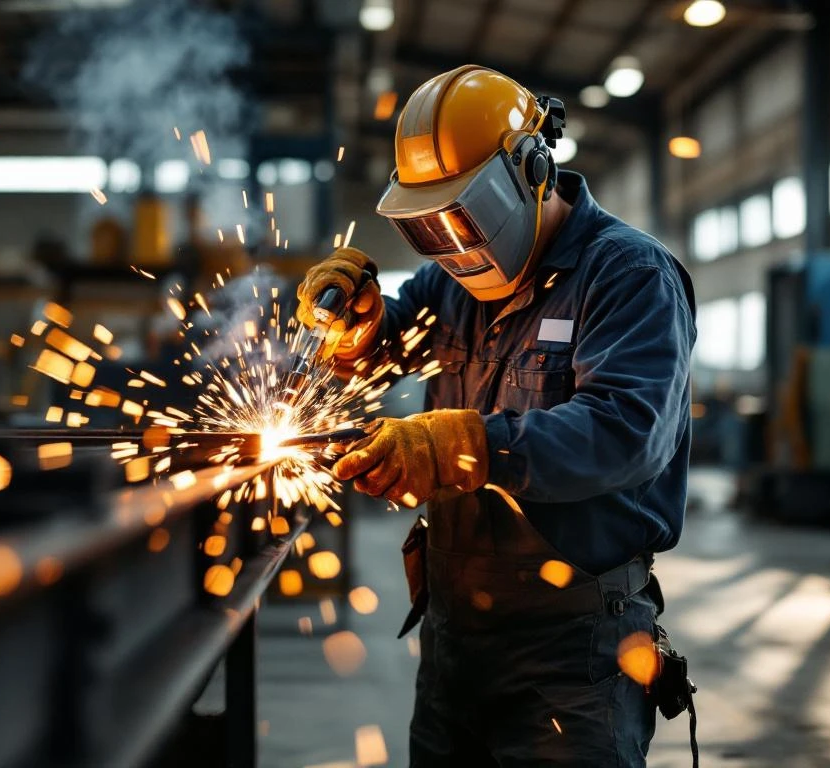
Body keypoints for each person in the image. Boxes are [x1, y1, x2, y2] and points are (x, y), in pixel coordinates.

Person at [296, 65, 696, 767]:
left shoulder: (628, 274)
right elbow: (388, 344)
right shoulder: (451, 284)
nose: (452, 245)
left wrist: (461, 445)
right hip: (455, 639)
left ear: (531, 170)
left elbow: (626, 434)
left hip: (572, 652)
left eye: (462, 217)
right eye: (428, 227)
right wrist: (357, 330)